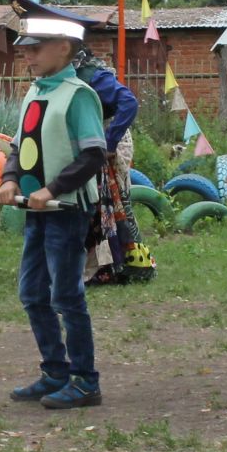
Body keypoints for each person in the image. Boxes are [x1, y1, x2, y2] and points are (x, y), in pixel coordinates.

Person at [0, 0, 109, 409]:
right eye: (25, 48)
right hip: (36, 209)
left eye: (35, 48)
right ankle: (54, 372)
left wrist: (52, 189)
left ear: (63, 47)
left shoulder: (78, 95)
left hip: (65, 210)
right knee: (32, 293)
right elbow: (18, 145)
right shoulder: (35, 92)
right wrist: (11, 177)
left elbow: (93, 154)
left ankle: (85, 381)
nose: (26, 55)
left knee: (66, 296)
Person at [72, 46, 152, 284]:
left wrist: (110, 142)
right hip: (89, 140)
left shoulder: (94, 75)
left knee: (117, 202)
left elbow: (128, 103)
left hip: (110, 141)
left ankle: (130, 263)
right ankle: (97, 264)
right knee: (96, 204)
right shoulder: (62, 76)